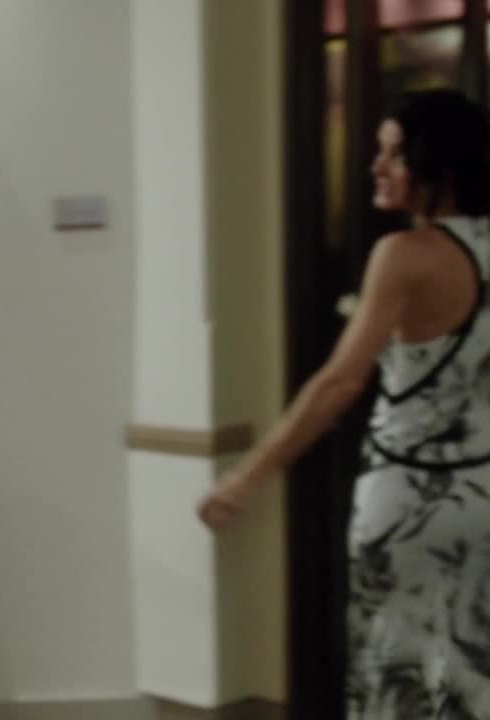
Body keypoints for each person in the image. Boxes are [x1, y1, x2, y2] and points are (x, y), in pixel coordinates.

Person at [199, 87, 490, 718]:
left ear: (440, 168)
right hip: (484, 497)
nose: (375, 166)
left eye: (394, 155)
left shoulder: (405, 256)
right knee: (471, 677)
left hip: (410, 501)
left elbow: (339, 383)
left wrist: (247, 476)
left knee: (399, 678)